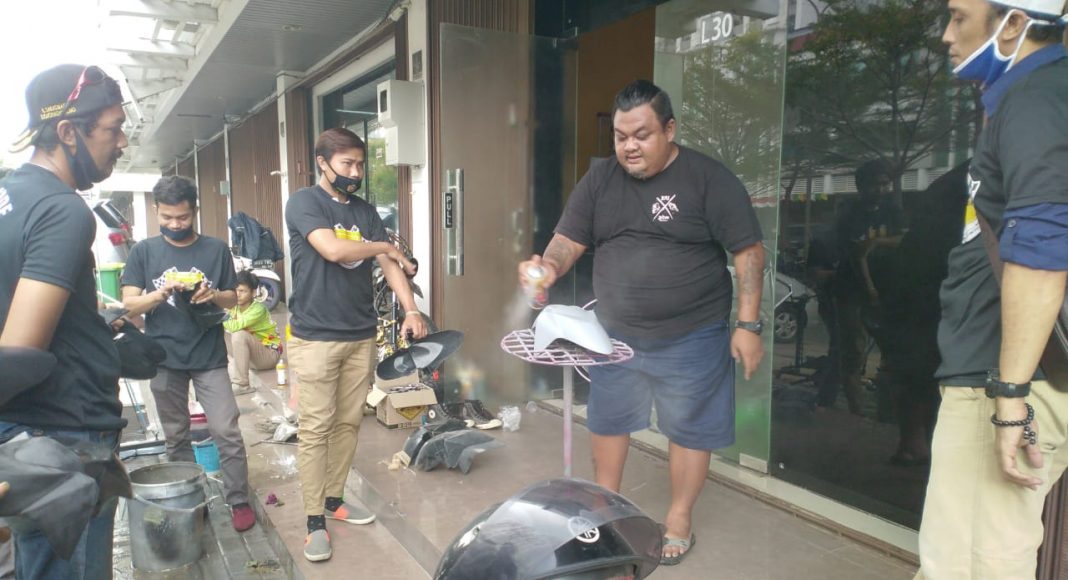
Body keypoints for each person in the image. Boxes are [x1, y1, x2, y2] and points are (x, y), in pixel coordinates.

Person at [518, 80, 765, 566]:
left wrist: (748, 325)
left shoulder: (707, 179)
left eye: (641, 135)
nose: (629, 146)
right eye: (620, 136)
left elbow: (748, 252)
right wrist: (546, 267)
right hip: (614, 335)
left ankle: (679, 519)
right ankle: (604, 510)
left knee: (689, 428)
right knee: (608, 422)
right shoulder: (600, 180)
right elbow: (568, 240)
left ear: (669, 130)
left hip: (693, 334)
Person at [916, 0, 1068, 577]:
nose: (945, 34)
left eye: (959, 17)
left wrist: (1009, 398)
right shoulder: (1024, 99)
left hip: (1006, 377)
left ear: (1014, 23)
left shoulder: (1038, 99)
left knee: (972, 563)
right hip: (1005, 371)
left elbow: (1044, 252)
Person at [0, 64, 127, 579]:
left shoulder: (11, 197)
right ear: (69, 132)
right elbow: (18, 353)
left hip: (24, 434)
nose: (122, 143)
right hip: (63, 440)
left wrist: (97, 331)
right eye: (113, 129)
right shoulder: (63, 210)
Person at [285, 127, 427, 562]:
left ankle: (334, 499)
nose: (356, 172)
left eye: (361, 164)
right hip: (315, 337)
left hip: (359, 333)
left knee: (348, 423)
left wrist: (411, 310)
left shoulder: (365, 211)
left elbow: (389, 263)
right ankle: (314, 522)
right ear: (322, 163)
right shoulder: (305, 203)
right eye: (347, 163)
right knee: (316, 428)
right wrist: (385, 245)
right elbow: (333, 250)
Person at [121, 175, 256, 532]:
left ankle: (238, 499)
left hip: (208, 355)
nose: (175, 224)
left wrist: (212, 294)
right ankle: (189, 499)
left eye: (182, 217)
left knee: (226, 429)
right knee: (176, 435)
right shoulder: (144, 251)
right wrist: (160, 293)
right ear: (156, 211)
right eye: (167, 217)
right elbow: (128, 304)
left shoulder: (215, 249)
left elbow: (232, 298)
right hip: (164, 357)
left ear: (194, 211)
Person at [831, 160, 904, 414]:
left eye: (885, 184)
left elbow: (905, 238)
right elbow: (856, 256)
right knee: (854, 350)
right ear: (862, 186)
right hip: (852, 290)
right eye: (875, 184)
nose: (881, 189)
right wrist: (870, 290)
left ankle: (888, 406)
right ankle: (857, 407)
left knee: (892, 349)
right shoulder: (849, 213)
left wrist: (879, 243)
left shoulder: (892, 209)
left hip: (886, 287)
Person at [224, 270, 282, 394]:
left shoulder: (258, 309)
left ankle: (242, 384)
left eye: (243, 291)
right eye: (236, 290)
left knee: (238, 334)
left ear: (253, 292)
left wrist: (221, 315)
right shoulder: (235, 307)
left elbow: (234, 326)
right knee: (218, 332)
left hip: (269, 355)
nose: (238, 294)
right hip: (254, 356)